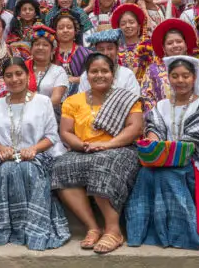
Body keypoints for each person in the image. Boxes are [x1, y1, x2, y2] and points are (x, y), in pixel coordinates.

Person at [0, 57, 70, 250]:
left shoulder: (43, 102)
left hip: (38, 156)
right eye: (8, 75)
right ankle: (5, 225)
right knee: (8, 169)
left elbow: (51, 136)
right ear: (3, 79)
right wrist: (1, 149)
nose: (14, 79)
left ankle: (30, 227)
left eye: (19, 73)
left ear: (27, 75)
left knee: (27, 169)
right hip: (3, 159)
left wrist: (33, 149)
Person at [127, 56, 199, 250]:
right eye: (175, 76)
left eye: (185, 76)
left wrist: (166, 152)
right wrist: (153, 144)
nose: (180, 80)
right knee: (145, 173)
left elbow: (196, 139)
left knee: (168, 174)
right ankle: (145, 232)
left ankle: (182, 233)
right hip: (165, 157)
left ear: (194, 78)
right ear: (168, 78)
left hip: (194, 160)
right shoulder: (161, 105)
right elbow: (154, 129)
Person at [54, 53, 143, 254]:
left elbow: (135, 128)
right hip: (84, 149)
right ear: (87, 75)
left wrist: (108, 144)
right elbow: (66, 132)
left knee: (103, 164)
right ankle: (92, 227)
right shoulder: (73, 101)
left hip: (120, 148)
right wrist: (83, 146)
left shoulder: (126, 98)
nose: (99, 75)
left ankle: (113, 230)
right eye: (94, 71)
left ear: (113, 74)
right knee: (60, 167)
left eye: (105, 71)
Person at [141, 18, 199, 110]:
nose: (175, 45)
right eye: (170, 43)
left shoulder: (196, 67)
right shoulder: (153, 70)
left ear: (186, 44)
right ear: (163, 47)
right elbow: (146, 97)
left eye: (179, 41)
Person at [78, 29, 142, 96]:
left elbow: (135, 102)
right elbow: (80, 101)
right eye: (101, 49)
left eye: (110, 48)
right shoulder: (86, 76)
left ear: (117, 50)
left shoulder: (127, 75)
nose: (106, 53)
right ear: (96, 51)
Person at [24, 25, 69, 110]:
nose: (40, 48)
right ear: (31, 49)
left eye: (45, 45)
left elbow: (56, 99)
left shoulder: (58, 71)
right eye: (37, 44)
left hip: (49, 114)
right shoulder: (22, 68)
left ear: (52, 50)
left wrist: (34, 109)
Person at [112, 3, 153, 83]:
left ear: (138, 26)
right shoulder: (115, 48)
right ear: (119, 28)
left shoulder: (148, 46)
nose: (127, 26)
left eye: (131, 22)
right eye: (123, 24)